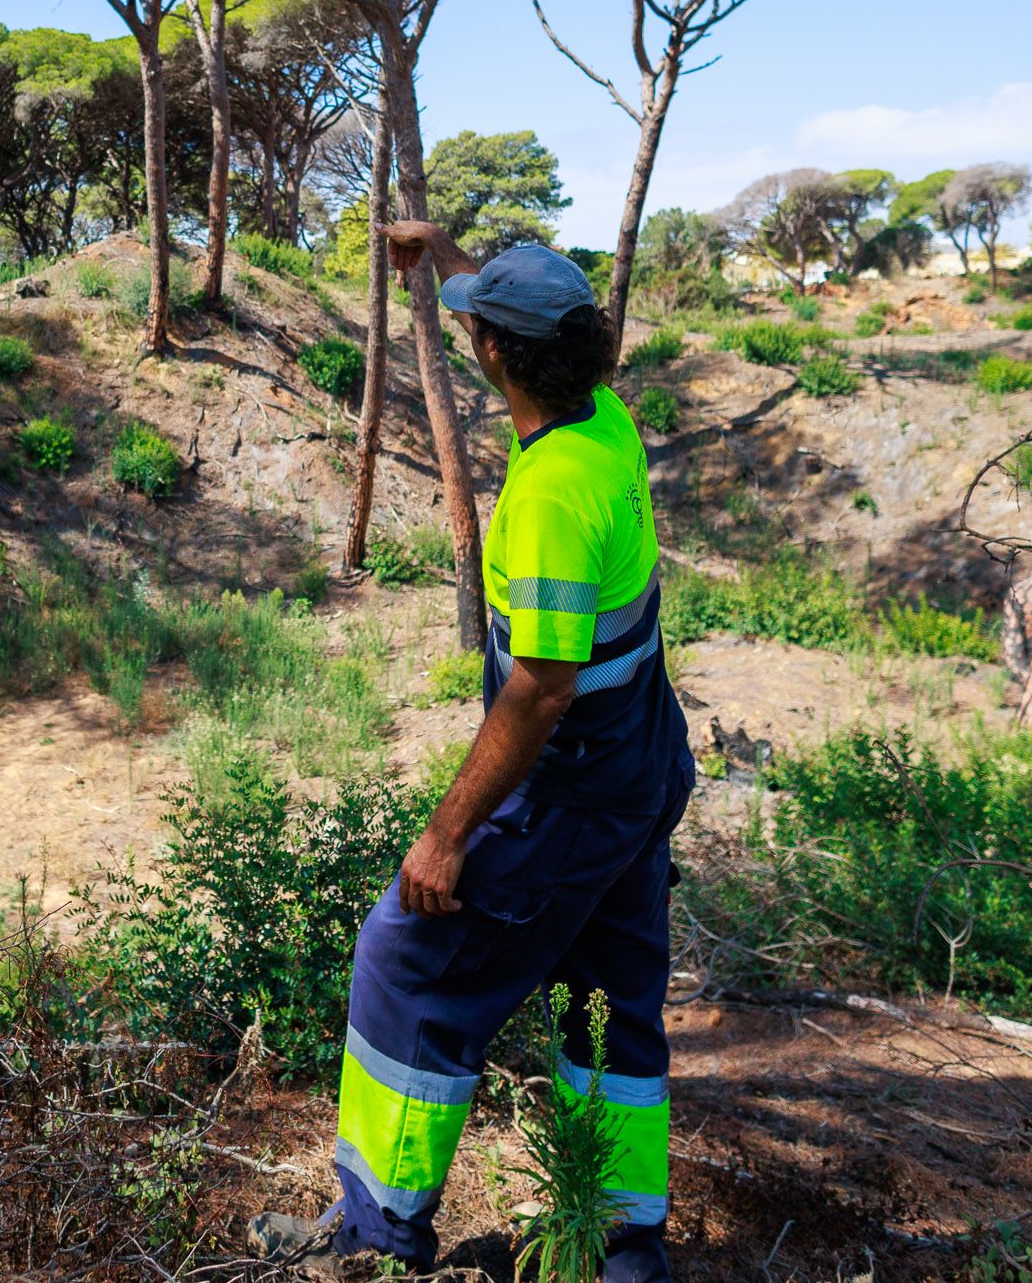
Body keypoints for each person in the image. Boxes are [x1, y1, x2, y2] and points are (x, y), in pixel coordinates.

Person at [249, 223, 693, 1281]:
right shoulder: (607, 425)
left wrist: (447, 837)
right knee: (607, 1007)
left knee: (403, 967)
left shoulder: (547, 499)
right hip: (642, 770)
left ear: (496, 355)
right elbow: (500, 317)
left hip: (570, 791)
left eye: (480, 327)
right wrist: (449, 255)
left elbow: (541, 689)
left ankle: (374, 1235)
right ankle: (619, 1247)